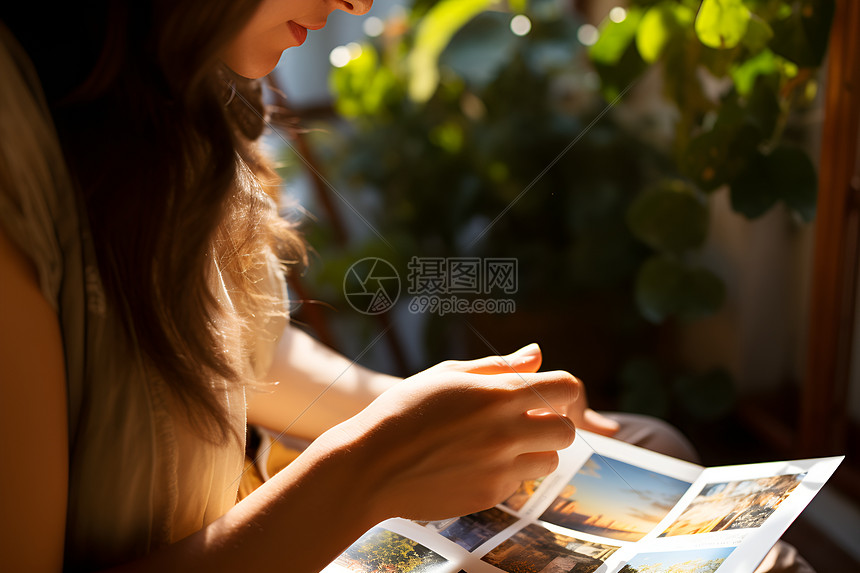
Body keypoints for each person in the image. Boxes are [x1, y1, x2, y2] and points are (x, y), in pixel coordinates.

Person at [0, 2, 813, 572]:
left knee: (645, 446)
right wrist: (366, 469)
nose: (354, 3)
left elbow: (238, 347)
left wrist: (430, 412)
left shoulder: (188, 90)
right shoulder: (17, 150)